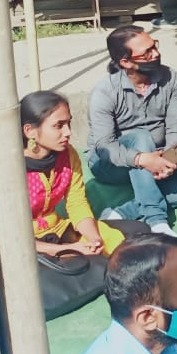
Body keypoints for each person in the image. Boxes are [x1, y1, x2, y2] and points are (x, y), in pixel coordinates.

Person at [87, 26, 177, 237]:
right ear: (126, 63)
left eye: (154, 45)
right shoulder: (105, 92)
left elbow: (176, 126)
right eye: (147, 52)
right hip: (110, 164)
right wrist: (142, 160)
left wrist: (168, 158)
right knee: (140, 137)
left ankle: (125, 211)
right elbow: (105, 147)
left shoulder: (170, 78)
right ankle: (157, 221)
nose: (156, 53)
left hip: (159, 155)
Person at [25, 90, 144, 258]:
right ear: (30, 131)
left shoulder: (68, 154)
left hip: (59, 230)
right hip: (28, 246)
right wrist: (69, 249)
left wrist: (94, 239)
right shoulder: (11, 169)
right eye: (59, 125)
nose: (67, 132)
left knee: (134, 237)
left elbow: (76, 202)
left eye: (68, 124)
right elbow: (8, 237)